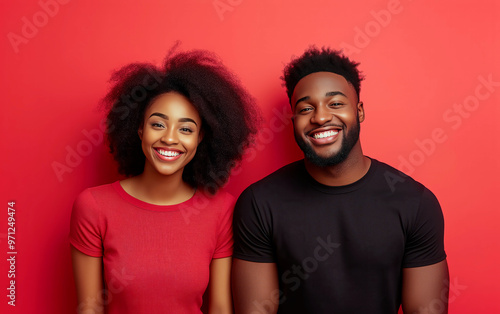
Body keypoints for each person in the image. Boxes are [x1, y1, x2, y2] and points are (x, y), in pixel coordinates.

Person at [232, 47, 449, 314]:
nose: (320, 117)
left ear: (359, 111)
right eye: (306, 108)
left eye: (335, 103)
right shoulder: (259, 203)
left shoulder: (415, 203)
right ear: (294, 120)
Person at [70, 48, 259, 314]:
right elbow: (89, 309)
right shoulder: (93, 206)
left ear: (201, 138)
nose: (170, 138)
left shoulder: (221, 210)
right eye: (158, 124)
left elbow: (219, 308)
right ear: (139, 129)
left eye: (186, 129)